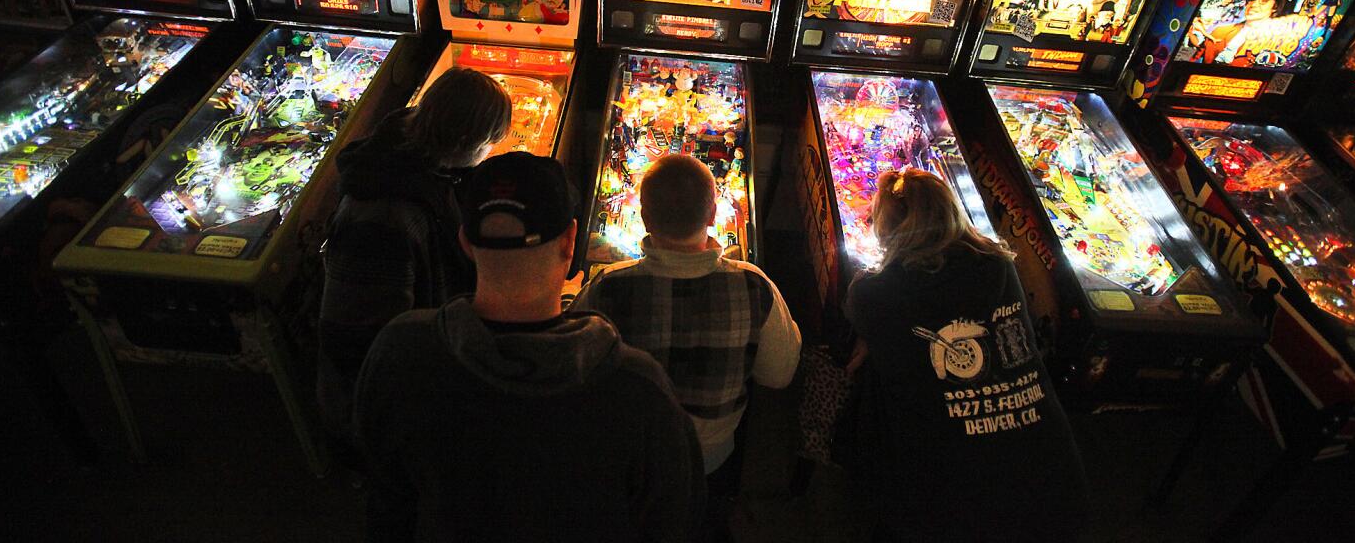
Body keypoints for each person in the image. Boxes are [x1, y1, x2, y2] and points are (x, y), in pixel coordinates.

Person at [356, 152, 704, 543]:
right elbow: (669, 522)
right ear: (570, 242)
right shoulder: (640, 387)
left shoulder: (399, 352)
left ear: (465, 243)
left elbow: (386, 503)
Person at [843, 169, 1088, 543]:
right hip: (1050, 475)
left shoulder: (875, 292)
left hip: (947, 496)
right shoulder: (1000, 266)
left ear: (890, 231)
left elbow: (865, 314)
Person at [572, 155, 801, 482]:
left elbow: (575, 369)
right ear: (711, 214)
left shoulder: (608, 286)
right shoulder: (755, 286)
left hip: (629, 454)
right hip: (711, 456)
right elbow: (779, 374)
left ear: (645, 218)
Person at [317, 67, 513, 441]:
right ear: (463, 140)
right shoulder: (381, 221)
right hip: (379, 408)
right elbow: (368, 343)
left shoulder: (416, 157)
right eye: (490, 143)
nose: (491, 152)